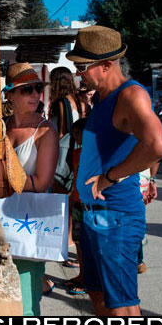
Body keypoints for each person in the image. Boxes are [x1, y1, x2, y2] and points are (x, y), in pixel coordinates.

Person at [67, 25, 162, 316]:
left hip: (116, 216)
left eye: (82, 66)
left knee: (122, 308)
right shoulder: (100, 98)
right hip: (93, 214)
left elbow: (158, 144)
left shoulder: (131, 95)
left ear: (106, 65)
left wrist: (111, 176)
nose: (78, 73)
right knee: (98, 295)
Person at [2, 62, 59, 316]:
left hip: (26, 221)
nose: (36, 95)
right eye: (28, 90)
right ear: (10, 94)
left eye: (38, 89)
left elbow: (42, 182)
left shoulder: (45, 130)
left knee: (26, 299)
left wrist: (0, 178)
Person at [47, 66, 90, 252]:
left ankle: (67, 237)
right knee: (75, 196)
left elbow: (62, 130)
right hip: (80, 150)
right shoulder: (80, 101)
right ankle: (73, 238)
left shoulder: (60, 103)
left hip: (65, 151)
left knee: (61, 196)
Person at [64, 117, 88, 295]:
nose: (76, 136)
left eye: (78, 133)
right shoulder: (75, 153)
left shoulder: (94, 154)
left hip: (89, 204)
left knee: (88, 244)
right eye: (75, 133)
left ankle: (88, 279)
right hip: (78, 202)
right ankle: (82, 274)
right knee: (79, 242)